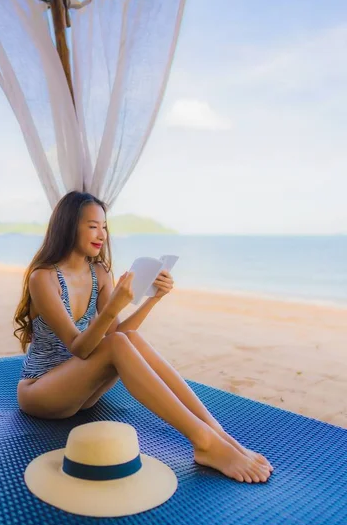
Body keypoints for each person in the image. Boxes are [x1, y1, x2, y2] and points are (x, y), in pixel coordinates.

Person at [14, 191, 273, 484]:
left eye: (105, 226)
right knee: (119, 343)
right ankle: (204, 442)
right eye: (92, 226)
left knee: (129, 340)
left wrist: (152, 300)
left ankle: (217, 432)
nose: (102, 234)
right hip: (42, 393)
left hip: (80, 394)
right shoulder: (43, 278)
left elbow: (117, 336)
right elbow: (79, 348)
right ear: (68, 225)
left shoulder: (98, 273)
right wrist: (114, 306)